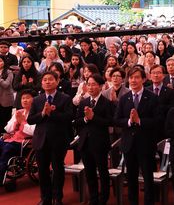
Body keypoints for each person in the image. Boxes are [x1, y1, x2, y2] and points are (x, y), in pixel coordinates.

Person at [114, 66, 160, 205]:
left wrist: (139, 121)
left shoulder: (152, 97)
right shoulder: (124, 98)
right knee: (132, 178)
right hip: (129, 144)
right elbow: (116, 119)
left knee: (147, 178)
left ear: (144, 79)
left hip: (146, 143)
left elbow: (158, 120)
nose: (133, 80)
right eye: (131, 77)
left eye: (137, 77)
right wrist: (129, 121)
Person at [27, 71, 74, 205]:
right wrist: (42, 114)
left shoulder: (65, 98)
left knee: (58, 169)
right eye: (45, 80)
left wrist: (52, 113)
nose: (47, 82)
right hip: (40, 140)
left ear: (57, 81)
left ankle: (58, 198)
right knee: (42, 171)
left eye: (50, 79)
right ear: (41, 83)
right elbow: (30, 120)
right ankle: (45, 198)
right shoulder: (37, 100)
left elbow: (69, 117)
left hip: (59, 139)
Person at [75, 74, 114, 205]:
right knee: (90, 173)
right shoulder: (83, 102)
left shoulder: (107, 103)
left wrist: (93, 117)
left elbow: (110, 121)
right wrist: (86, 119)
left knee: (103, 173)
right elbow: (77, 121)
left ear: (101, 86)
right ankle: (93, 199)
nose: (90, 87)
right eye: (88, 84)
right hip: (85, 143)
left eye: (94, 84)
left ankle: (103, 199)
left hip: (100, 143)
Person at [0, 89, 36, 182]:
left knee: (7, 149)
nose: (24, 100)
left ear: (34, 99)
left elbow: (34, 131)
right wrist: (16, 122)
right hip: (12, 139)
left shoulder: (36, 114)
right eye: (23, 98)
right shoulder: (19, 112)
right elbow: (7, 128)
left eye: (27, 98)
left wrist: (22, 122)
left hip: (24, 142)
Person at [0, 56, 15, 131]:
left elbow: (6, 85)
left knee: (5, 120)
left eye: (0, 61)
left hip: (6, 99)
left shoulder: (9, 72)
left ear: (4, 62)